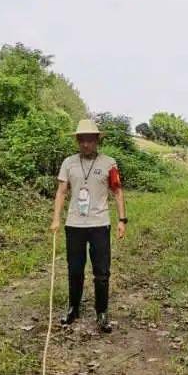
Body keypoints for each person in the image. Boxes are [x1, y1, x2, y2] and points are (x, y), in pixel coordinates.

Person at [51, 119, 127, 333]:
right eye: (82, 140)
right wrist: (56, 218)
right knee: (75, 270)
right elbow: (61, 192)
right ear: (77, 140)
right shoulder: (68, 163)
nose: (86, 144)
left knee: (102, 272)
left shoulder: (109, 163)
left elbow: (118, 191)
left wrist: (122, 220)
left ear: (97, 140)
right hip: (74, 224)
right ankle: (73, 308)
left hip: (99, 224)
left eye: (90, 140)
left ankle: (101, 312)